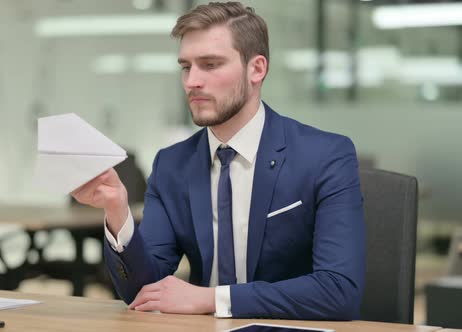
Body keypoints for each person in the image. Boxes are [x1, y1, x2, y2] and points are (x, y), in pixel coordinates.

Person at [72, 1, 365, 319]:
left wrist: (213, 300)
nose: (191, 81)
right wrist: (117, 210)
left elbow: (338, 291)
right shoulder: (172, 164)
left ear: (257, 69)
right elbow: (143, 291)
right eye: (186, 67)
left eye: (210, 65)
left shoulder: (324, 156)